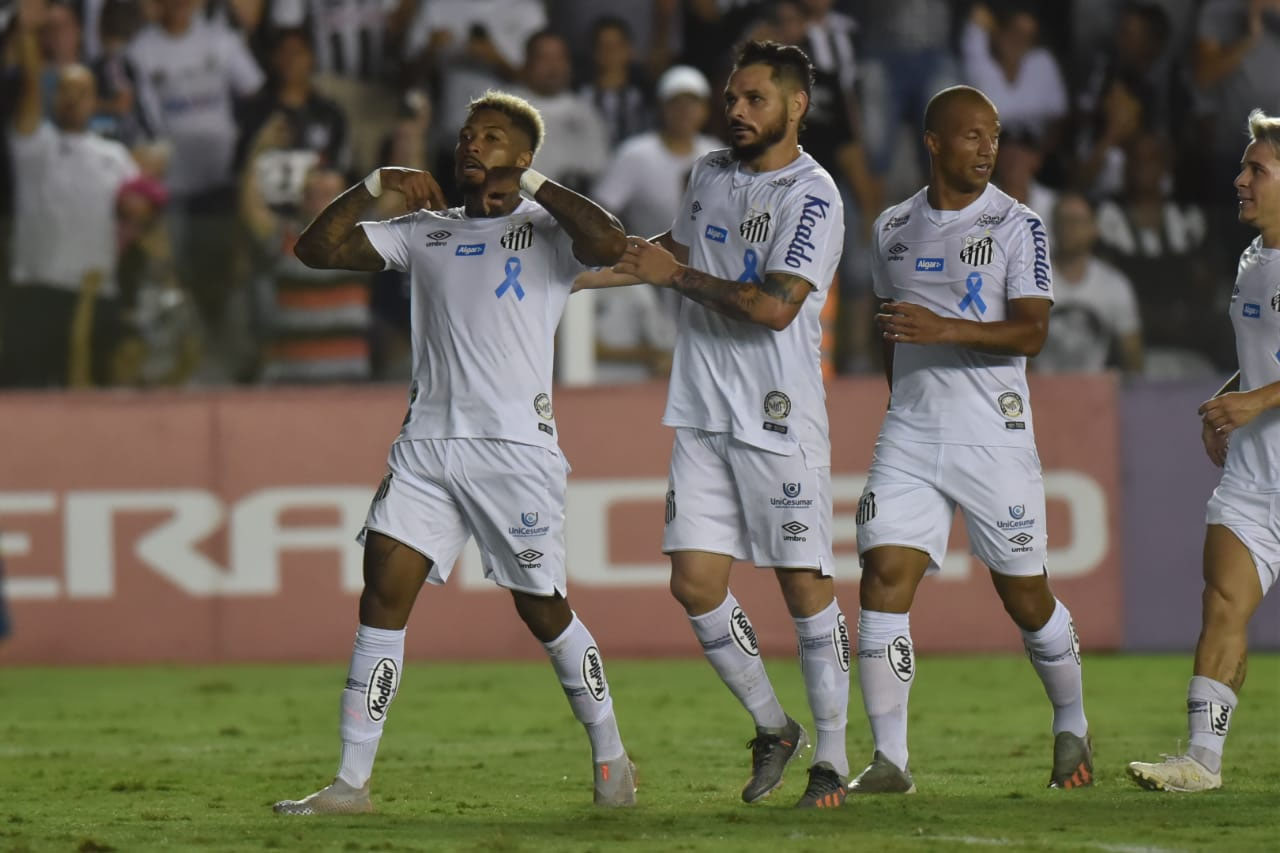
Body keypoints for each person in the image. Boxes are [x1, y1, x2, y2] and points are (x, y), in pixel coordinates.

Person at [272, 91, 638, 814]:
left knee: (543, 609)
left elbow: (610, 242)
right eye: (469, 134)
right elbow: (315, 249)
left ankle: (612, 759)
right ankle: (351, 783)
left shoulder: (548, 230)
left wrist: (531, 185)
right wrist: (373, 184)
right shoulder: (424, 230)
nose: (473, 144)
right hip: (428, 445)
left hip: (514, 449)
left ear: (524, 156)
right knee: (381, 591)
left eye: (493, 137)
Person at [606, 40, 851, 808]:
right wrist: (575, 274)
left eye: (754, 99)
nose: (736, 111)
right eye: (732, 97)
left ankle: (833, 762)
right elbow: (676, 249)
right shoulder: (708, 173)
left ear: (795, 105)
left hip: (778, 417)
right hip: (703, 410)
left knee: (803, 586)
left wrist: (671, 273)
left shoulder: (815, 196)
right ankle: (775, 725)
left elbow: (775, 308)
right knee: (695, 581)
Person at [852, 85, 1092, 794]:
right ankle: (890, 759)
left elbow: (1032, 331)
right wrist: (908, 403)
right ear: (933, 142)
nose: (987, 148)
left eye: (993, 136)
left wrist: (944, 329)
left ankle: (1071, 723)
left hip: (994, 438)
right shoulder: (890, 227)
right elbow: (893, 333)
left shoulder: (1020, 225)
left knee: (1026, 597)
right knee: (882, 576)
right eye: (972, 136)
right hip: (912, 435)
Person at [1127, 108, 1280, 793]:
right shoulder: (1254, 260)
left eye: (1258, 170)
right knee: (1222, 602)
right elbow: (1260, 360)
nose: (1240, 178)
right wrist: (1227, 399)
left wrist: (1253, 401)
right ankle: (1201, 760)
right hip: (1254, 479)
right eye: (1245, 166)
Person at [2, 0, 138, 388]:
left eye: (82, 93)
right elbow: (29, 86)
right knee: (30, 400)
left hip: (97, 292)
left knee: (94, 401)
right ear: (52, 97)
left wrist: (139, 215)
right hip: (39, 290)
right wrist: (27, 35)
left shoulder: (116, 156)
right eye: (65, 91)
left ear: (96, 102)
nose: (73, 100)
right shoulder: (33, 144)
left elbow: (141, 208)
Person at [1037, 192, 1143, 375]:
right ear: (1052, 227)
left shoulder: (1115, 285)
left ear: (1094, 228)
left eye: (1076, 220)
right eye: (1062, 220)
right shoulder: (1029, 280)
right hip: (1037, 394)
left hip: (1096, 394)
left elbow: (1132, 358)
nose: (1068, 227)